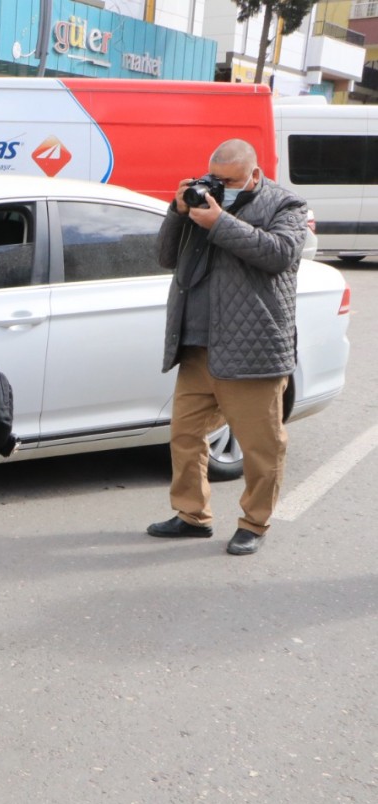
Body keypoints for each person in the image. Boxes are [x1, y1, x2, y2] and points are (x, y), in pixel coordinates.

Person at [146, 138, 307, 557]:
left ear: (254, 174)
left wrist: (219, 221)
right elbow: (165, 256)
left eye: (230, 181)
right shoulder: (204, 200)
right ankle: (191, 516)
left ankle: (254, 522)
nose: (220, 187)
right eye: (215, 179)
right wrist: (178, 213)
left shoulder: (286, 205)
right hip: (196, 345)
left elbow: (280, 255)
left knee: (261, 446)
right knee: (184, 437)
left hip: (251, 348)